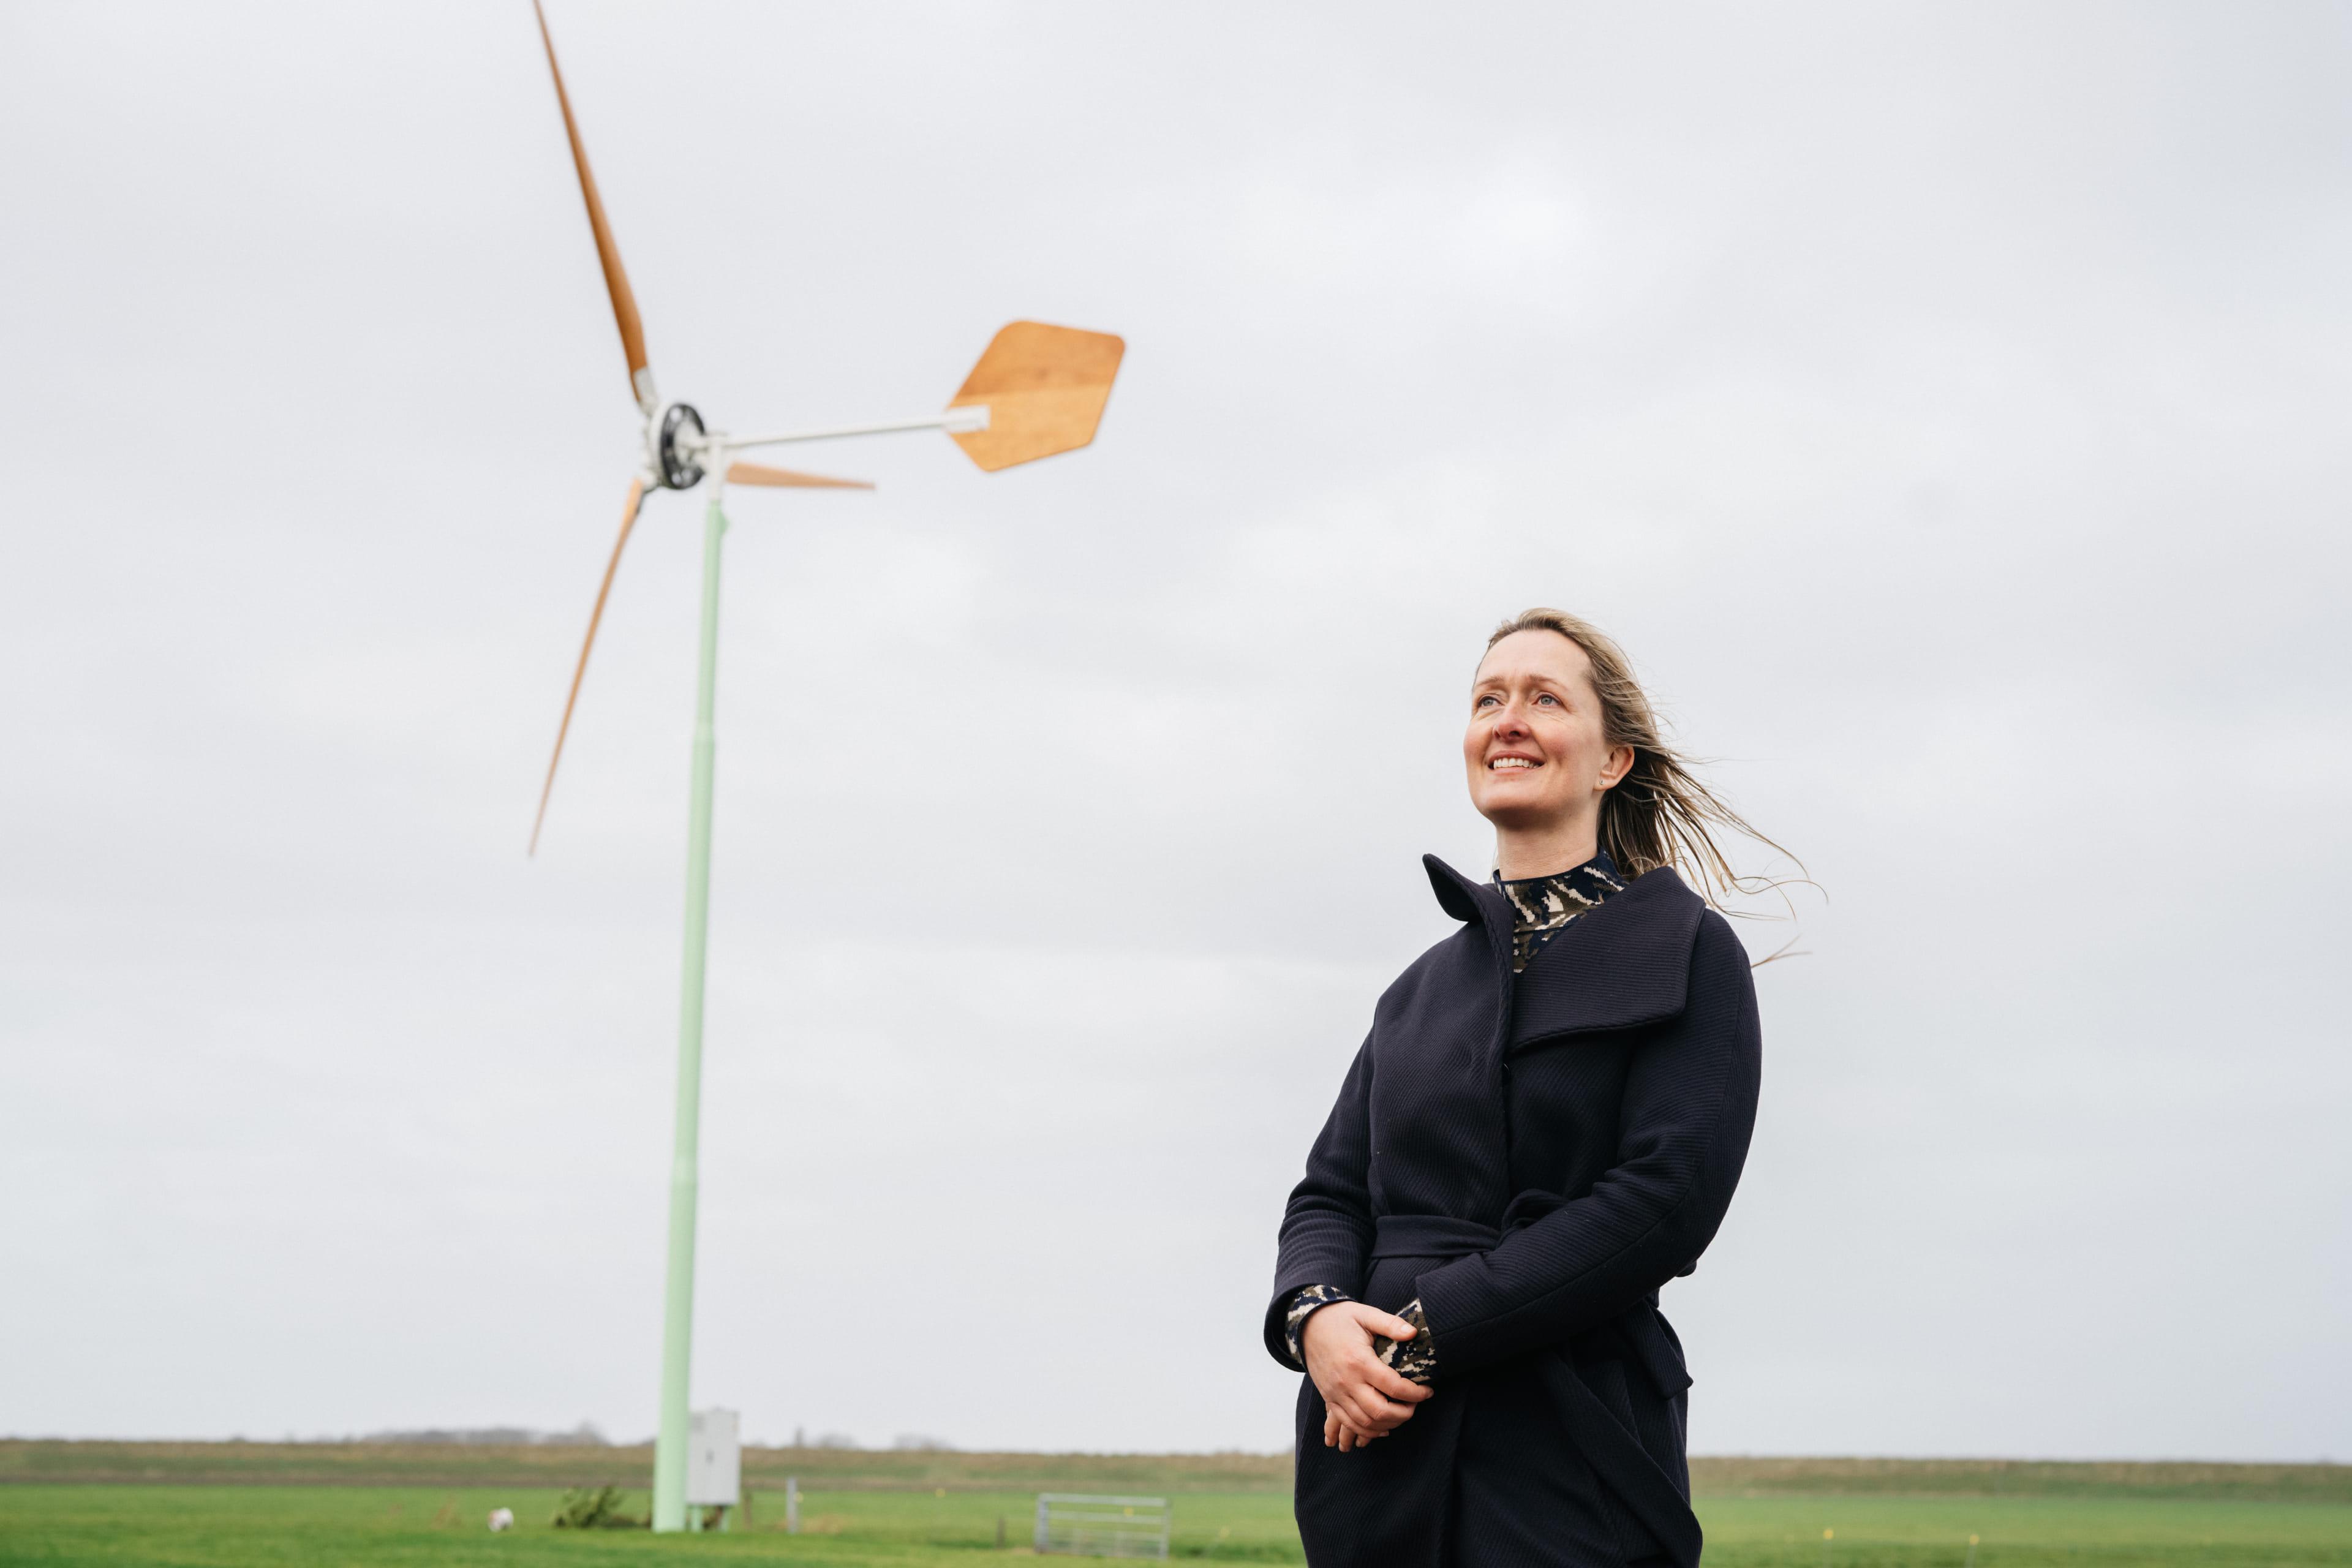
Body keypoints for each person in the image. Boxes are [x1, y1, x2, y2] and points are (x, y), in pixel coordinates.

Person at [1265, 609, 1777, 1568]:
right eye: (1487, 700)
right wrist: (1317, 1318)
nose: (1508, 719)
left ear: (1612, 759)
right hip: (1376, 1452)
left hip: (1572, 1438)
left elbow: (1664, 1202)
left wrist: (1427, 1334)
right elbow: (1328, 1194)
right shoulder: (1416, 988)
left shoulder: (1691, 954)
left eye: (1546, 699)